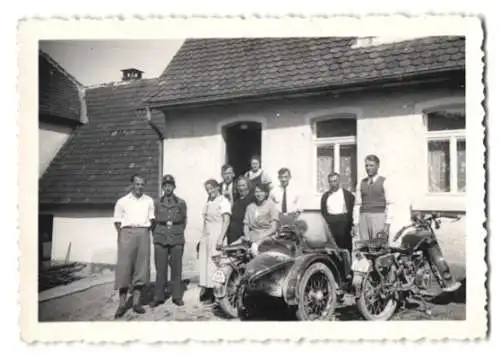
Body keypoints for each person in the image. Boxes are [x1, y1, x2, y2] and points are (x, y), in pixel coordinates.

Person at [113, 174, 155, 318]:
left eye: (142, 184)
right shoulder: (122, 201)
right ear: (132, 184)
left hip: (143, 233)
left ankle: (136, 303)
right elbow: (117, 222)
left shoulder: (149, 201)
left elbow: (151, 221)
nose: (140, 187)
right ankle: (122, 304)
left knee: (141, 269)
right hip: (126, 233)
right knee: (124, 268)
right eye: (137, 184)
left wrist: (143, 233)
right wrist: (124, 235)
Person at [150, 175, 187, 308]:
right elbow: (153, 222)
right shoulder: (156, 203)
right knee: (161, 268)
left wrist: (176, 232)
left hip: (176, 238)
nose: (168, 187)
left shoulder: (181, 202)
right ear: (162, 187)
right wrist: (159, 233)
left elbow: (184, 220)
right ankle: (158, 296)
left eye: (170, 185)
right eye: (165, 185)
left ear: (174, 187)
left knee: (177, 268)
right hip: (160, 237)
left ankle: (176, 296)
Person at [198, 179, 231, 303]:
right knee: (206, 264)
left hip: (217, 234)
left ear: (218, 187)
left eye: (212, 188)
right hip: (206, 236)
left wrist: (221, 238)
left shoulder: (224, 201)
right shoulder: (208, 202)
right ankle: (207, 289)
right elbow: (205, 221)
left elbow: (226, 221)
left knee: (216, 264)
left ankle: (216, 294)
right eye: (208, 189)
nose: (210, 191)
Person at [352, 155, 394, 242]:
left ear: (378, 166)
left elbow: (390, 204)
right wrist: (355, 223)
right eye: (366, 165)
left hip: (379, 217)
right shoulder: (361, 183)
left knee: (379, 246)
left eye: (371, 165)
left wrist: (387, 224)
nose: (368, 168)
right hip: (363, 218)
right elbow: (357, 204)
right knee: (364, 246)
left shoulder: (384, 181)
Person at [320, 172, 355, 254]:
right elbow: (323, 213)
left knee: (345, 250)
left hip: (343, 225)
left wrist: (353, 225)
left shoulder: (347, 194)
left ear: (339, 181)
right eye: (330, 182)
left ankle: (346, 266)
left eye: (335, 181)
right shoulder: (325, 196)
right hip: (330, 225)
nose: (333, 184)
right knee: (332, 251)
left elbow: (353, 210)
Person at [243, 183, 280, 255]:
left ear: (266, 193)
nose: (259, 194)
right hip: (253, 235)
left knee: (255, 248)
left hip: (267, 235)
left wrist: (261, 236)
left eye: (261, 191)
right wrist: (247, 236)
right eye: (256, 191)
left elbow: (273, 228)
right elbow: (246, 225)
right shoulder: (250, 207)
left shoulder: (271, 205)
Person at [226, 176, 254, 245]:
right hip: (232, 235)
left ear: (248, 186)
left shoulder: (252, 199)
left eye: (243, 185)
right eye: (239, 186)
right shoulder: (237, 200)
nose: (241, 188)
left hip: (243, 236)